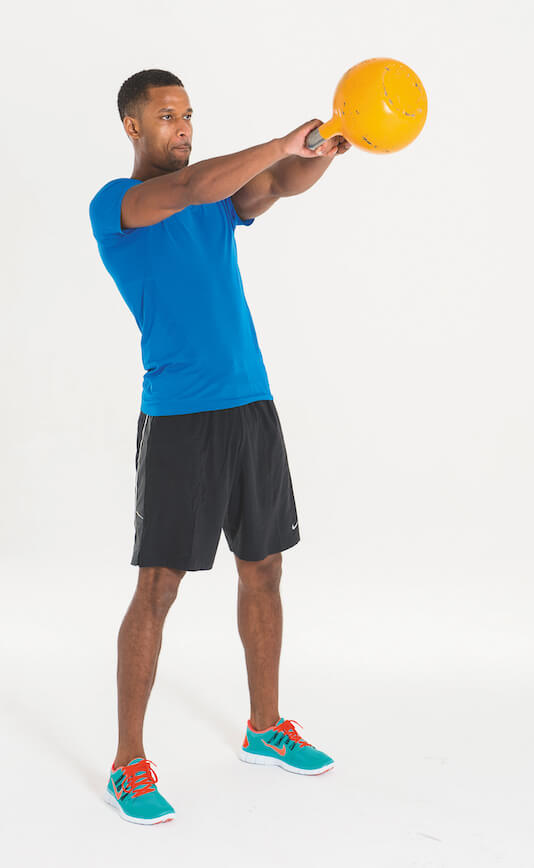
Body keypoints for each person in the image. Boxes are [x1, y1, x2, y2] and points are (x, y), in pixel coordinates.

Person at [89, 68, 351, 826]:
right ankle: (127, 765)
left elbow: (274, 186)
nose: (184, 126)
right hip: (180, 419)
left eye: (190, 114)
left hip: (250, 403)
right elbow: (200, 185)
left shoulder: (212, 200)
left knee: (263, 566)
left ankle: (264, 728)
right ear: (133, 127)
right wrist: (278, 141)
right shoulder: (122, 204)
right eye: (167, 116)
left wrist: (328, 148)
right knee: (160, 587)